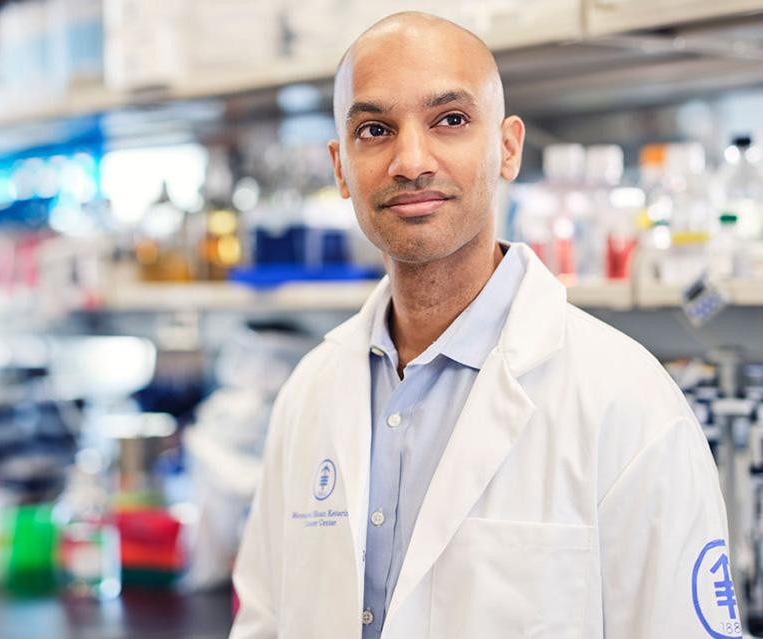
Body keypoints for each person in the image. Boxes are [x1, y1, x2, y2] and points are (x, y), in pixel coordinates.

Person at [230, 12, 740, 639]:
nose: (410, 161)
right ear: (340, 167)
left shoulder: (628, 402)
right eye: (374, 130)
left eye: (450, 120)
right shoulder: (309, 392)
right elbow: (264, 620)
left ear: (508, 147)